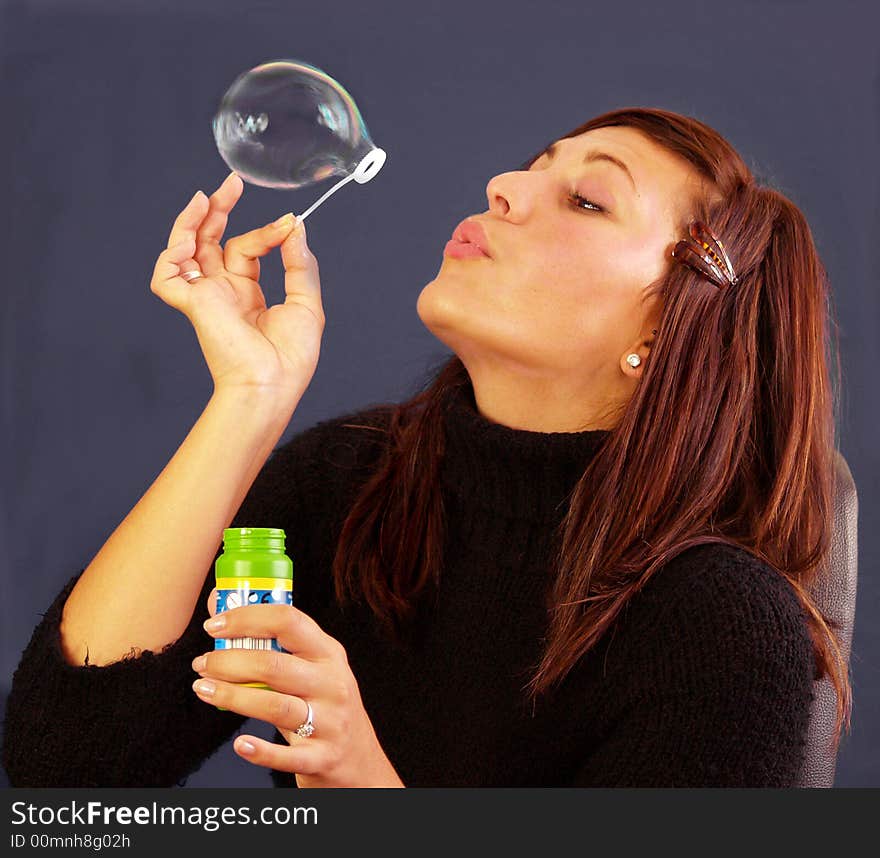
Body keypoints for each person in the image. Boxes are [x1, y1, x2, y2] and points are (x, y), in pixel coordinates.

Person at [2, 106, 852, 788]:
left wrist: (363, 788)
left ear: (667, 329)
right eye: (534, 165)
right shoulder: (353, 481)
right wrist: (249, 398)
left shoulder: (720, 629)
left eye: (587, 200)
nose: (504, 185)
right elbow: (68, 770)